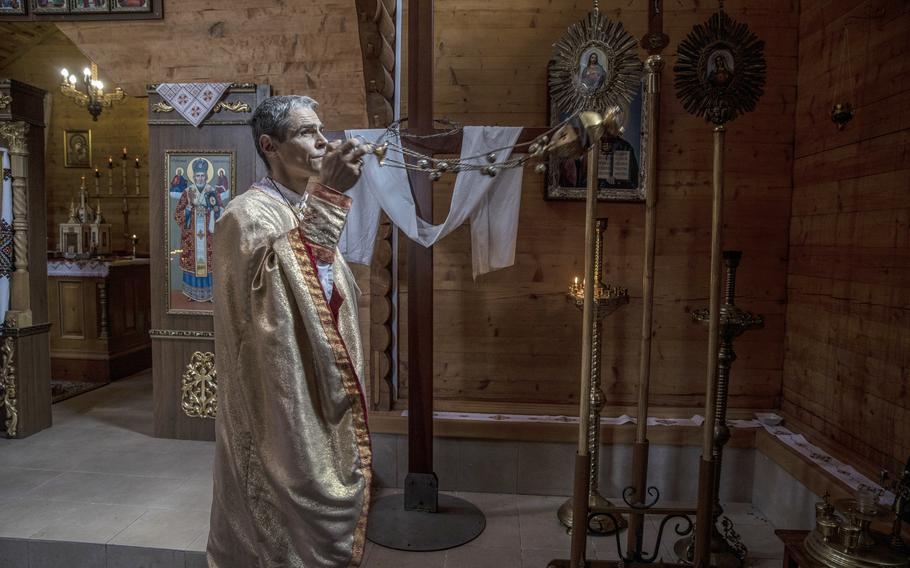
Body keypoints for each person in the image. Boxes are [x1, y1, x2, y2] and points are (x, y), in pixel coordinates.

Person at [207, 95, 370, 568]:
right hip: (276, 401)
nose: (322, 141)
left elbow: (327, 294)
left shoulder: (301, 207)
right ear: (269, 145)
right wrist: (331, 199)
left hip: (314, 386)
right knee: (277, 523)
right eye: (305, 132)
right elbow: (272, 305)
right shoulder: (246, 215)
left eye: (322, 129)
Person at [173, 159, 219, 302]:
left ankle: (211, 294)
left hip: (209, 236)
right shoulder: (187, 193)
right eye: (197, 176)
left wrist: (215, 210)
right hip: (191, 236)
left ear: (206, 176)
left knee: (210, 262)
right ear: (194, 177)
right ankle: (191, 294)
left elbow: (221, 211)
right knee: (192, 261)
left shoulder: (212, 192)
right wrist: (187, 209)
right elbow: (177, 214)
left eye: (202, 176)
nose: (200, 178)